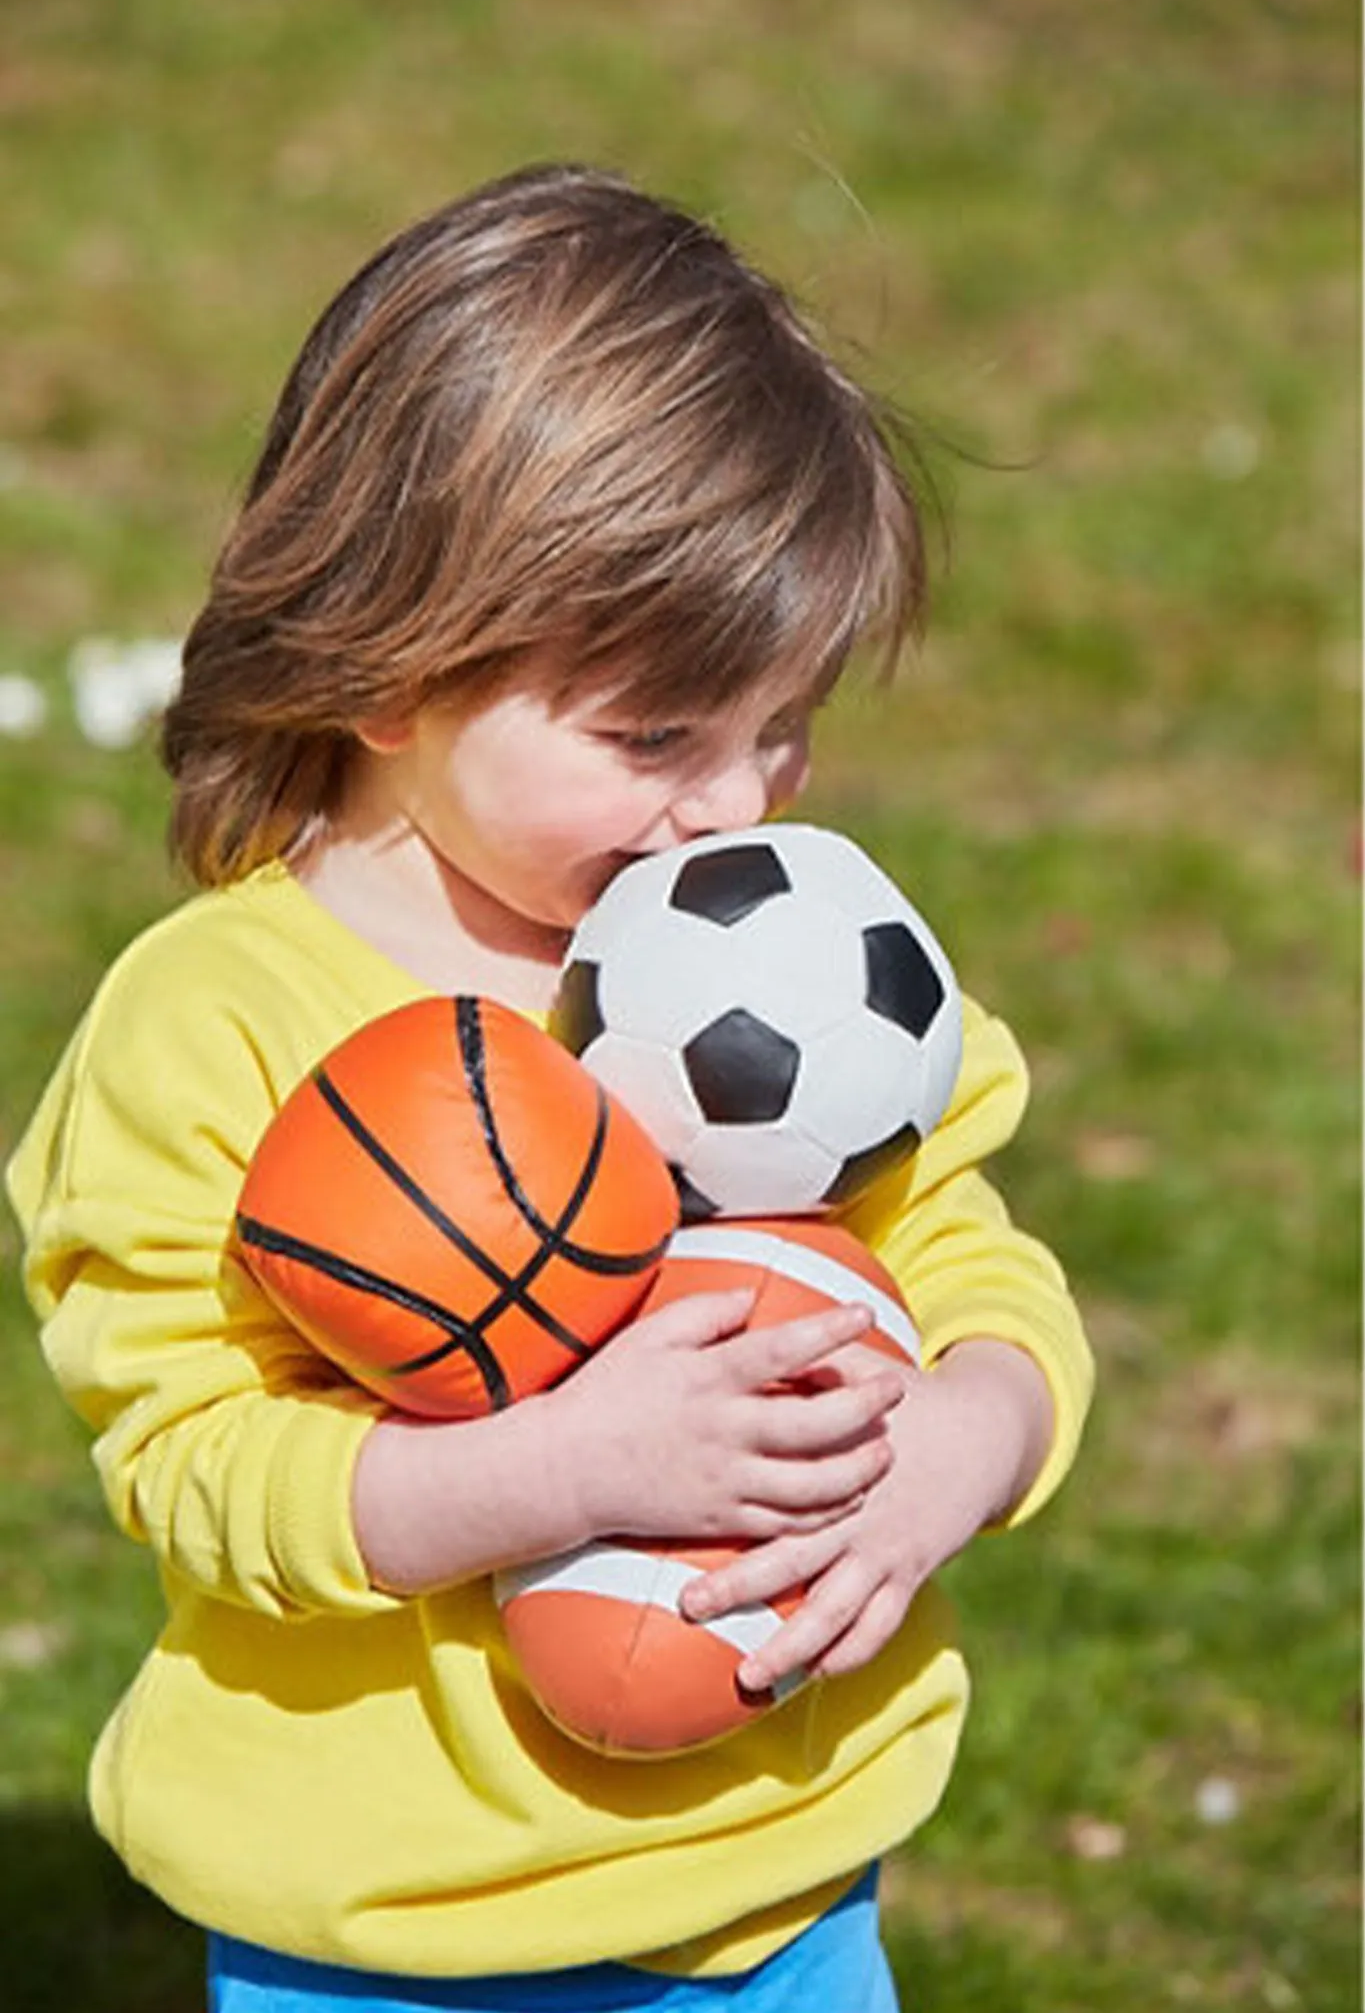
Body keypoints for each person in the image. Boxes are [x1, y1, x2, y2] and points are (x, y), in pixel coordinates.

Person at [5, 163, 1094, 2012]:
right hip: (386, 1936)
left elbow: (980, 1270)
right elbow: (197, 1470)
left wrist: (958, 1449)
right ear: (385, 667)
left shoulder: (793, 960)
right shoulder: (214, 1030)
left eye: (782, 727)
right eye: (657, 736)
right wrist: (558, 1471)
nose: (739, 808)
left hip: (787, 1888)